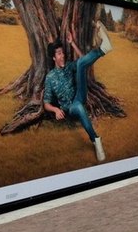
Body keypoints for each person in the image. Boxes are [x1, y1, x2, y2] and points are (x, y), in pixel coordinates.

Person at [43, 22, 112, 162]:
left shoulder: (69, 66)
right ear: (54, 58)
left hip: (80, 95)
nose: (63, 56)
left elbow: (83, 61)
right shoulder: (50, 77)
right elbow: (46, 103)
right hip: (70, 107)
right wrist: (56, 110)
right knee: (79, 107)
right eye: (59, 54)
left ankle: (104, 48)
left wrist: (72, 43)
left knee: (80, 63)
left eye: (63, 53)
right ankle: (96, 140)